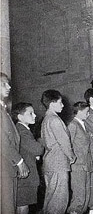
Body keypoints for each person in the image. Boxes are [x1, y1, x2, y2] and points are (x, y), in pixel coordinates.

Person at [41, 89, 76, 214]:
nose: (63, 105)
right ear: (52, 103)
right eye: (60, 102)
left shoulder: (46, 119)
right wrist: (71, 157)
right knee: (59, 200)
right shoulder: (55, 120)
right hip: (58, 163)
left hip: (50, 163)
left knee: (51, 198)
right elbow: (64, 142)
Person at [0, 72, 30, 214]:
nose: (9, 87)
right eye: (4, 84)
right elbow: (2, 141)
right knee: (7, 208)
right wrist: (19, 161)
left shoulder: (3, 109)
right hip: (4, 168)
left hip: (7, 167)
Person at [12, 102, 44, 214]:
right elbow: (38, 149)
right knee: (23, 207)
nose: (34, 115)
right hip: (25, 177)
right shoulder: (22, 131)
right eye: (31, 113)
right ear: (20, 117)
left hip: (25, 177)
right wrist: (40, 140)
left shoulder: (22, 129)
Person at [67, 102, 93, 214]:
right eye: (87, 112)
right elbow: (68, 145)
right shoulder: (73, 125)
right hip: (78, 165)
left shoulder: (83, 124)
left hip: (86, 163)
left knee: (86, 194)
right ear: (80, 112)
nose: (88, 114)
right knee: (79, 196)